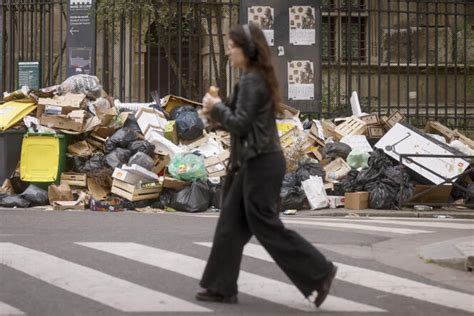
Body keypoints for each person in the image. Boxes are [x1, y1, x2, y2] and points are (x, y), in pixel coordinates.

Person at [195, 22, 337, 308]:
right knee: (230, 225)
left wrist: (217, 107)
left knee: (266, 225)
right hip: (253, 162)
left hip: (260, 163)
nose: (229, 51)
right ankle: (221, 287)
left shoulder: (252, 81)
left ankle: (319, 271)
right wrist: (212, 113)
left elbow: (240, 122)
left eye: (233, 46)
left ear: (247, 50)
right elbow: (234, 119)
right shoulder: (251, 78)